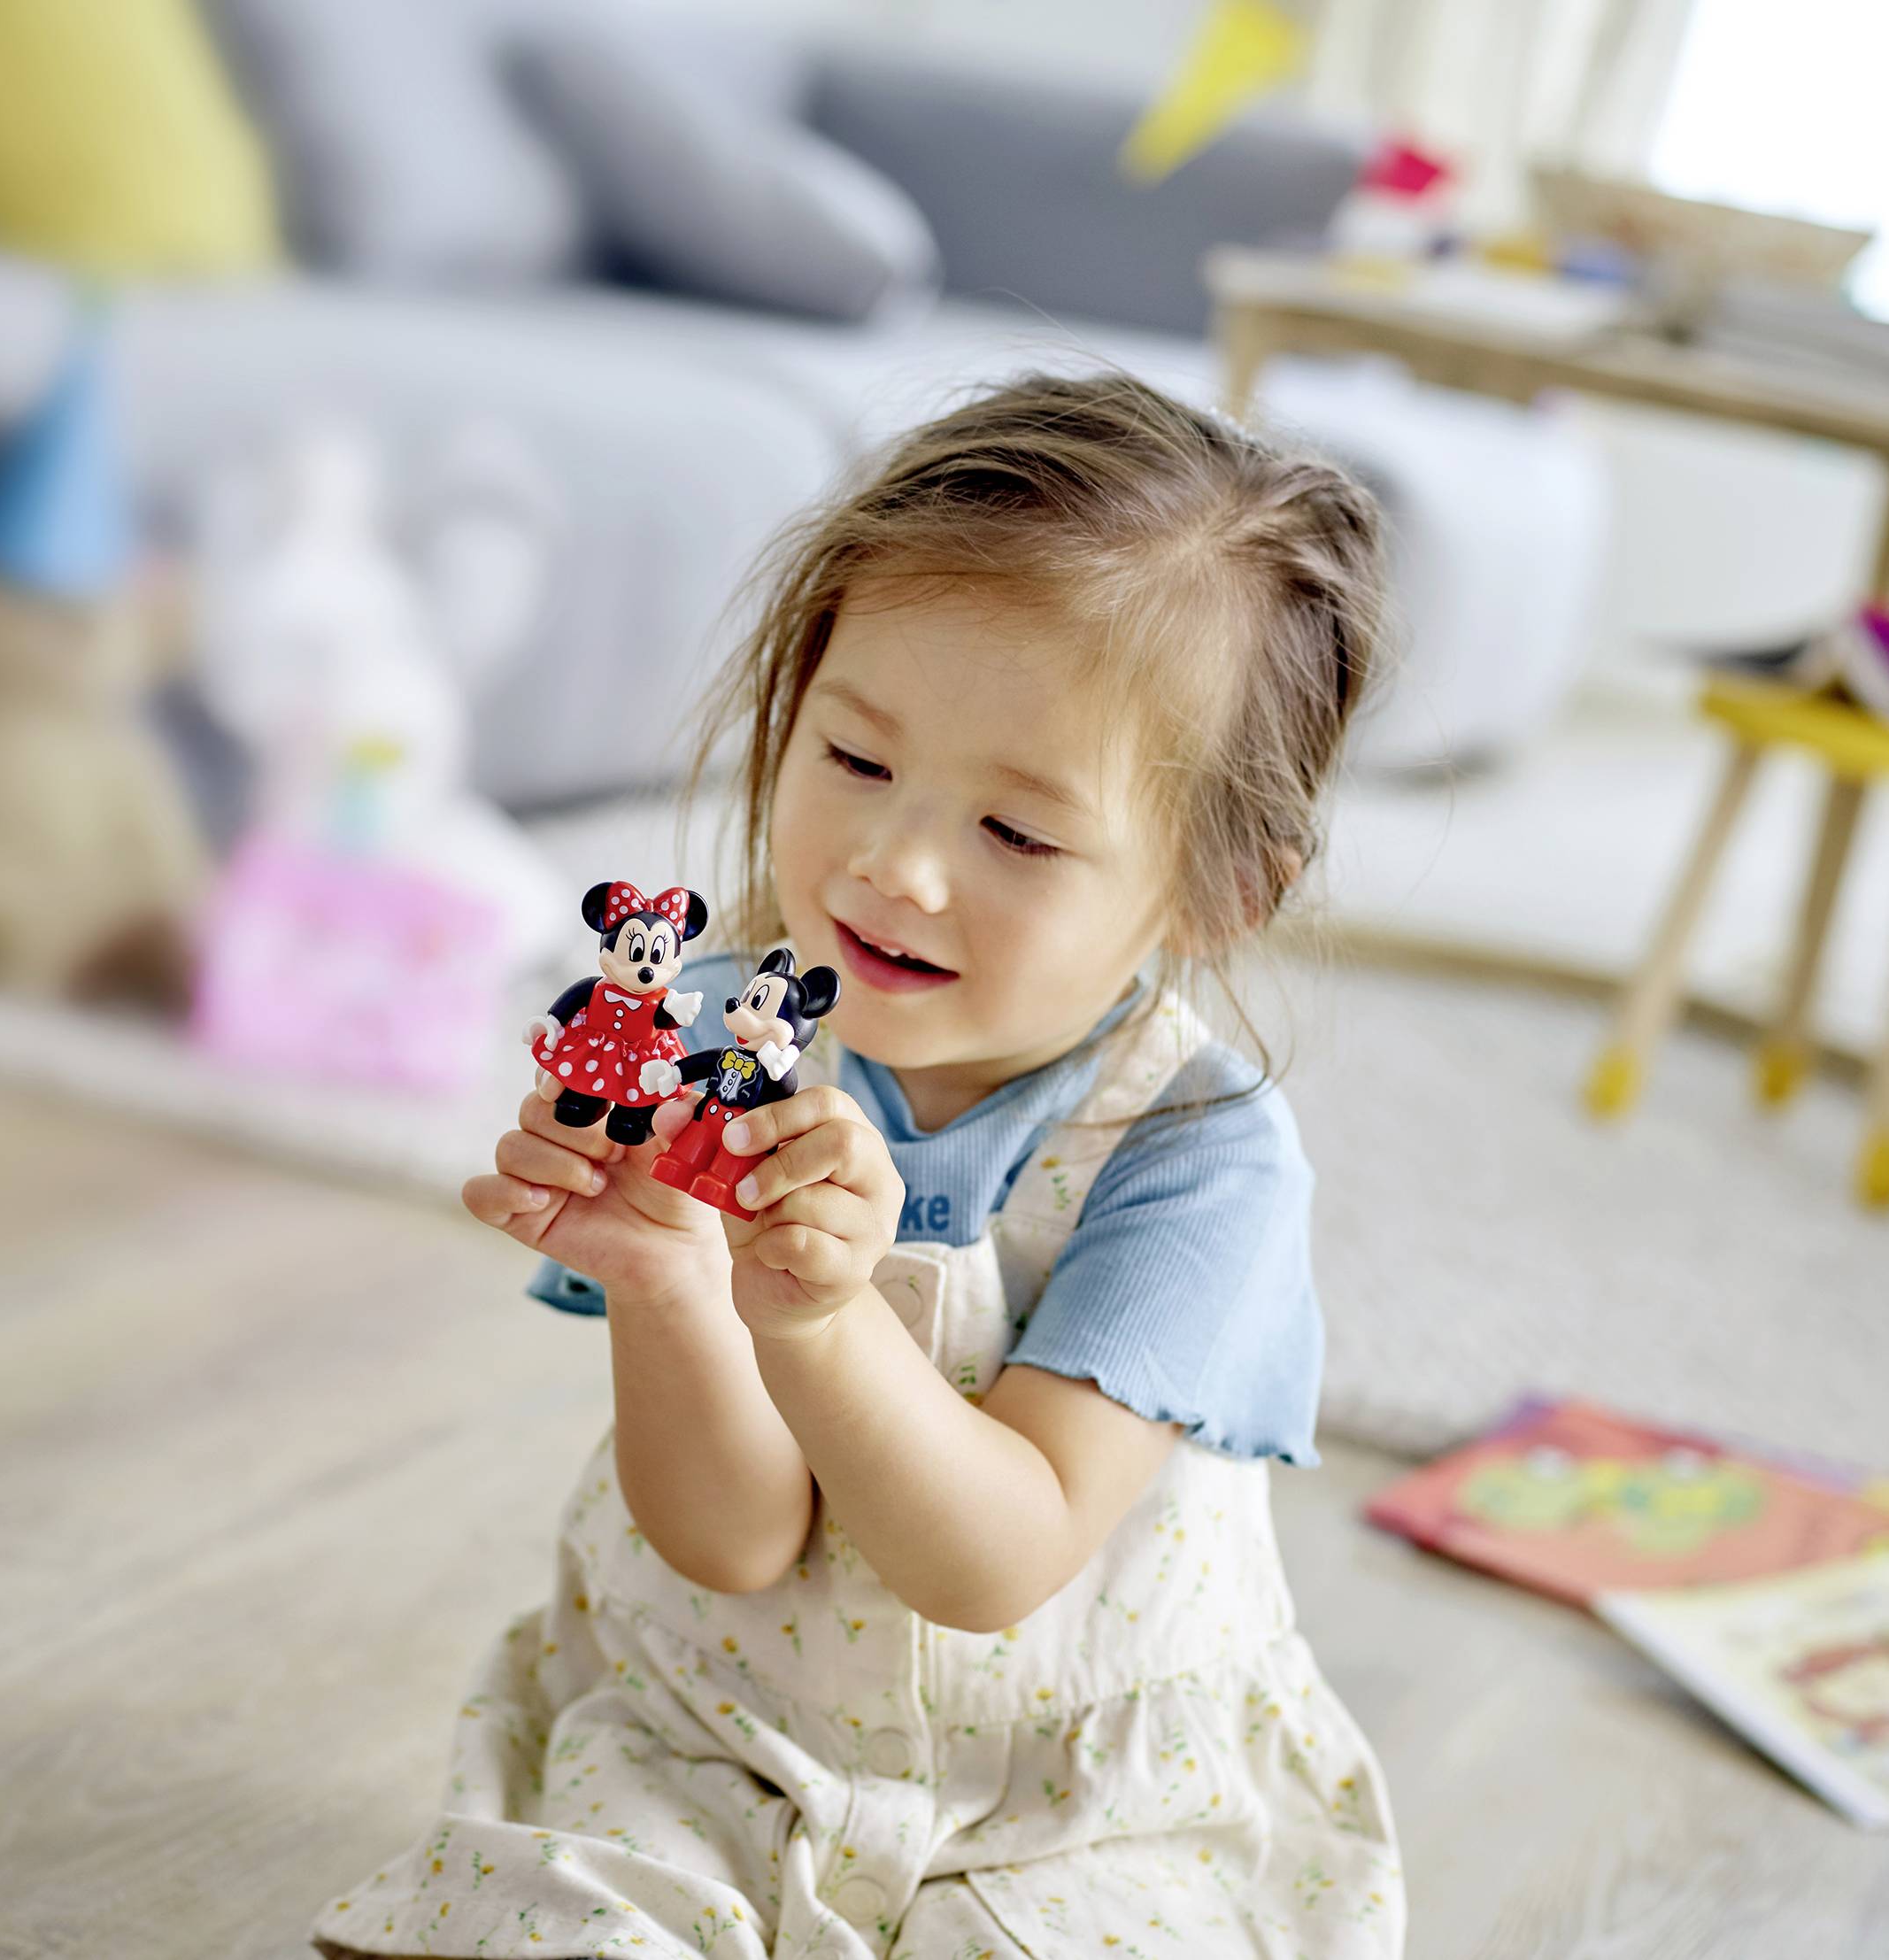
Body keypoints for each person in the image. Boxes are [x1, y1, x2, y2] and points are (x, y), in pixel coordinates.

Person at [312, 373, 1406, 1959]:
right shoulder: (711, 1041)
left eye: (1018, 835)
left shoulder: (1196, 1161)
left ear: (1221, 888)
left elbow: (994, 1555)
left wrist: (818, 1322)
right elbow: (729, 1542)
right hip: (714, 1742)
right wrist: (671, 1280)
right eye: (854, 757)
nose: (892, 865)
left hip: (1076, 1808)